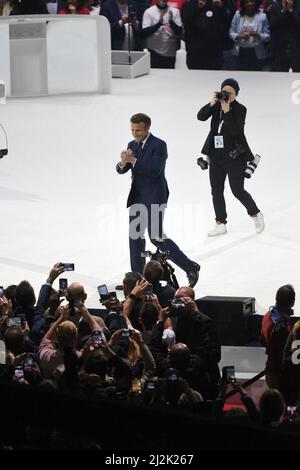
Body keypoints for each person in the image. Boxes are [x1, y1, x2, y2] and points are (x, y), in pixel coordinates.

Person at [116, 113, 200, 287]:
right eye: (132, 130)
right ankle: (138, 280)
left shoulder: (159, 145)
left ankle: (190, 266)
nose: (134, 134)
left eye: (138, 130)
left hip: (155, 196)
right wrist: (123, 163)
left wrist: (133, 160)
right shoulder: (132, 145)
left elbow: (155, 170)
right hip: (137, 196)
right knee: (135, 237)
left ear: (147, 128)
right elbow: (122, 170)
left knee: (156, 236)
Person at [197, 78, 265, 237]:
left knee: (237, 190)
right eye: (224, 91)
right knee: (216, 190)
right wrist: (212, 103)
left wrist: (227, 112)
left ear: (236, 94)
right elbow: (200, 117)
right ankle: (220, 223)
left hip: (235, 156)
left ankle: (256, 214)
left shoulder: (241, 109)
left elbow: (236, 131)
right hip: (216, 155)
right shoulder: (216, 106)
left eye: (230, 93)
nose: (226, 95)